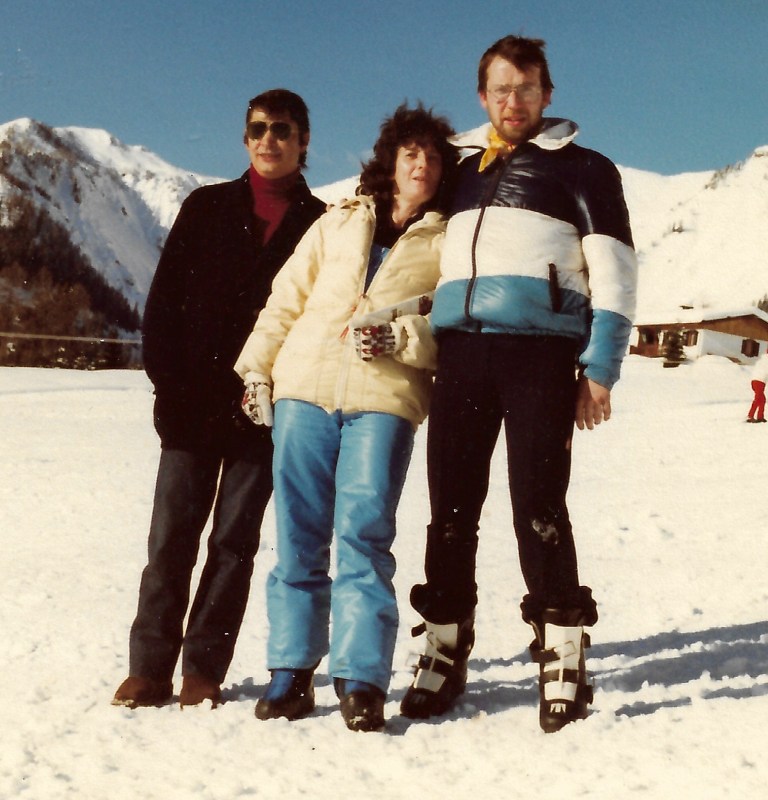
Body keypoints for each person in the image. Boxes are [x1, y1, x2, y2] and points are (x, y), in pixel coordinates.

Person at [399, 35, 638, 733]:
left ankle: (562, 653)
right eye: (501, 89)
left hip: (538, 356)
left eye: (526, 88)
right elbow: (401, 193)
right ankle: (445, 645)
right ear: (482, 96)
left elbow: (617, 275)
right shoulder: (461, 166)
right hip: (462, 353)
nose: (513, 101)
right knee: (450, 505)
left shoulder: (586, 170)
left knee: (538, 502)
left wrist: (600, 368)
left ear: (547, 94)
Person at [233, 103, 459, 732]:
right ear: (389, 161)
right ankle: (291, 673)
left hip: (384, 401)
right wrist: (257, 370)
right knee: (300, 536)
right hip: (305, 388)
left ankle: (361, 680)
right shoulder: (339, 221)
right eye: (410, 152)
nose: (421, 163)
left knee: (363, 536)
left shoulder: (450, 240)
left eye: (434, 156)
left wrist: (403, 341)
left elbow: (453, 328)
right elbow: (287, 298)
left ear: (444, 173)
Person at [112, 89, 326, 710]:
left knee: (234, 544)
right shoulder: (206, 207)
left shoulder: (318, 224)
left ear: (304, 139)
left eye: (282, 130)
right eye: (257, 129)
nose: (268, 140)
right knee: (171, 538)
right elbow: (163, 306)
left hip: (262, 411)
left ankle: (203, 667)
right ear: (245, 137)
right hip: (189, 406)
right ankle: (149, 668)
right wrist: (169, 389)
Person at [746, 351, 768, 422]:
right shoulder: (766, 360)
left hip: (755, 381)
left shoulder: (762, 360)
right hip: (759, 381)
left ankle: (760, 417)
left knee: (762, 399)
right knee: (758, 399)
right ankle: (750, 416)